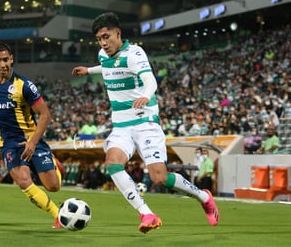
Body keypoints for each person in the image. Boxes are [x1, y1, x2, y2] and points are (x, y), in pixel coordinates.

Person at [72, 12, 219, 233]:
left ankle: (203, 196)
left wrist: (146, 94)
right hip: (121, 126)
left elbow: (150, 80)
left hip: (145, 122)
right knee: (112, 163)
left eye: (106, 36)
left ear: (117, 33)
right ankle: (146, 213)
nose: (103, 42)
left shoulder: (135, 53)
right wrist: (89, 70)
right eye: (99, 39)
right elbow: (109, 66)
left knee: (159, 178)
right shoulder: (103, 54)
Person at [0, 42, 62, 229]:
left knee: (53, 186)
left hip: (31, 139)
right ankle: (59, 216)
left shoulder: (24, 85)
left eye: (6, 59)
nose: (3, 64)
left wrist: (32, 143)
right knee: (24, 181)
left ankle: (54, 163)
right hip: (7, 143)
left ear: (12, 59)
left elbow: (45, 114)